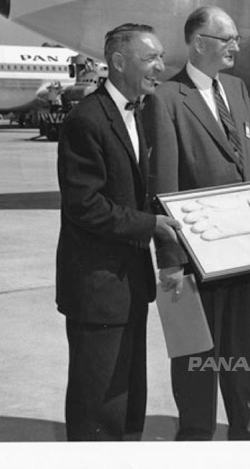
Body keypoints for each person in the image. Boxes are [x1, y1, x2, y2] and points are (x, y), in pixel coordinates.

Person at [143, 5, 250, 441]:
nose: (236, 46)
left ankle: (249, 425)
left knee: (241, 345)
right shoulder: (165, 98)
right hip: (196, 252)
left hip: (242, 249)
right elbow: (163, 184)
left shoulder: (237, 89)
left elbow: (249, 167)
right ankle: (197, 432)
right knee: (195, 350)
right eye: (228, 39)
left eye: (237, 38)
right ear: (200, 43)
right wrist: (170, 260)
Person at [56, 23, 181, 441]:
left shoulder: (141, 113)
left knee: (126, 399)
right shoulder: (85, 120)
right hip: (97, 287)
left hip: (129, 284)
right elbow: (84, 205)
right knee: (98, 403)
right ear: (118, 62)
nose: (160, 67)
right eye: (151, 59)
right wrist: (151, 226)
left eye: (161, 57)